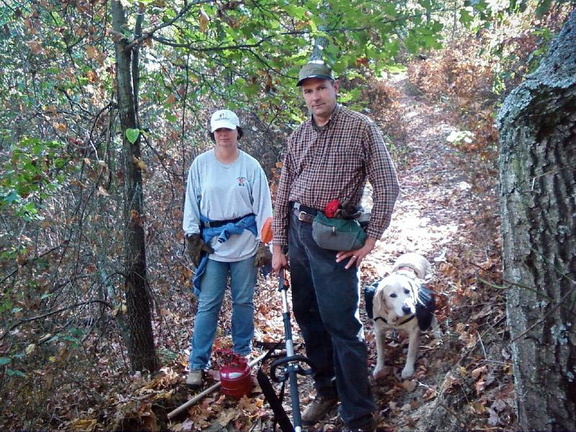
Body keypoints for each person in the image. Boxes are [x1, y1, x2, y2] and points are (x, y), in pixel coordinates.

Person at [271, 61, 400, 431]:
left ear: (334, 87)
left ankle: (358, 412)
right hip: (298, 233)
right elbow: (283, 197)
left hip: (335, 237)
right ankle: (326, 390)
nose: (315, 97)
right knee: (308, 315)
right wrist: (279, 246)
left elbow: (387, 186)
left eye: (320, 88)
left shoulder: (361, 127)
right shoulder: (297, 135)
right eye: (308, 91)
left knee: (342, 324)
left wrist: (370, 239)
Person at [183, 109, 273, 387]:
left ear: (237, 132)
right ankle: (197, 364)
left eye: (228, 129)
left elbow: (263, 207)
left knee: (243, 301)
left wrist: (265, 243)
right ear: (212, 133)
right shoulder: (201, 164)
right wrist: (192, 236)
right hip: (213, 246)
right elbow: (191, 202)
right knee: (208, 304)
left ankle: (242, 353)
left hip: (245, 244)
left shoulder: (250, 166)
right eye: (219, 130)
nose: (224, 134)